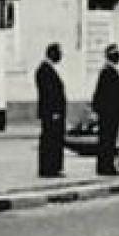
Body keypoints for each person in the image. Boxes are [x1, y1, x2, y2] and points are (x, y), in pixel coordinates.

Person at [92, 44, 119, 176]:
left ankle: (105, 165)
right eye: (116, 54)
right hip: (109, 113)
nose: (118, 56)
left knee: (109, 140)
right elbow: (101, 93)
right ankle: (105, 166)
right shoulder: (107, 71)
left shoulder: (114, 70)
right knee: (107, 140)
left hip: (111, 113)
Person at [34, 43, 67, 178]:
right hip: (51, 113)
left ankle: (53, 167)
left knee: (54, 140)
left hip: (53, 112)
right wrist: (54, 112)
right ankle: (49, 168)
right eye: (59, 53)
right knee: (50, 140)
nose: (61, 56)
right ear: (52, 53)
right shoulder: (44, 70)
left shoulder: (48, 69)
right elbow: (48, 94)